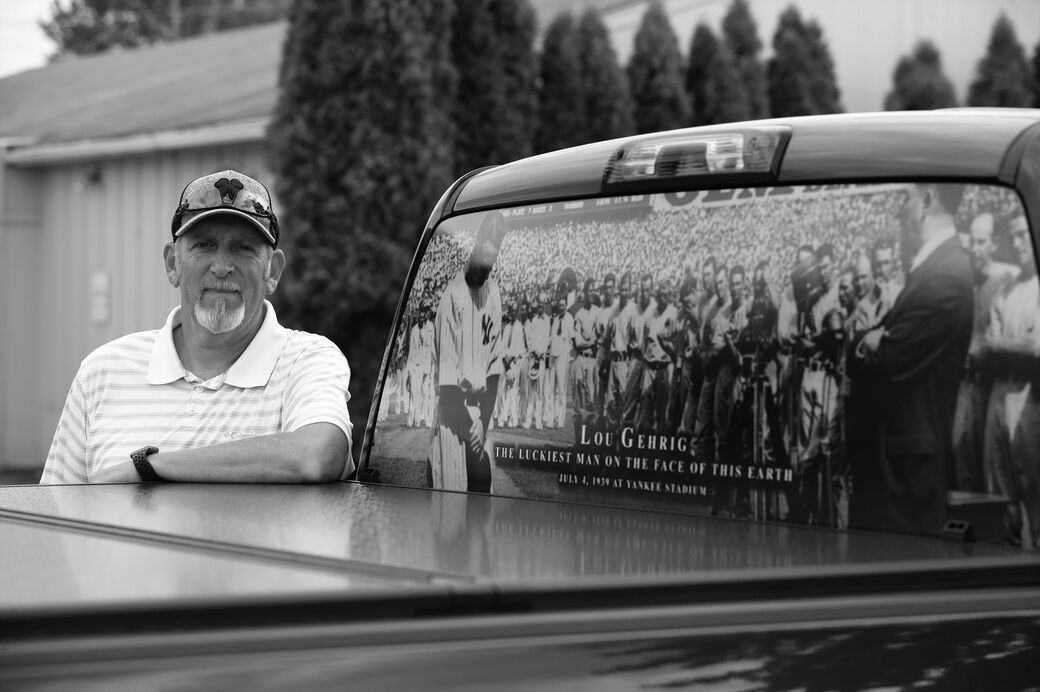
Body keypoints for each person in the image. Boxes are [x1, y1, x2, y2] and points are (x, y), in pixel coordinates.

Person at [41, 169, 353, 484]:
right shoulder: (103, 372)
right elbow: (50, 517)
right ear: (173, 264)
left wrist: (148, 467)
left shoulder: (306, 361)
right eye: (204, 245)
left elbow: (317, 455)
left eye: (244, 248)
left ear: (272, 271)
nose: (222, 267)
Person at [853, 183, 974, 536]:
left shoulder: (947, 274)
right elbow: (870, 342)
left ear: (925, 201)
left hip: (905, 479)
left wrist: (871, 341)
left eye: (903, 198)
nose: (897, 210)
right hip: (893, 472)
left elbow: (887, 361)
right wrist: (868, 340)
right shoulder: (932, 269)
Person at [427, 212, 507, 492]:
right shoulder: (452, 297)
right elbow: (448, 388)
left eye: (491, 266)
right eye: (483, 264)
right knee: (452, 519)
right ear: (474, 247)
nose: (485, 272)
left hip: (479, 417)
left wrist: (483, 424)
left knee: (481, 508)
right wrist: (473, 431)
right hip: (453, 419)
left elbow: (495, 371)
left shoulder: (494, 294)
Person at [979, 213, 1039, 546]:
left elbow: (1035, 349)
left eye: (1023, 235)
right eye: (1013, 237)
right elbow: (989, 343)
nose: (1017, 244)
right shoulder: (1008, 287)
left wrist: (999, 345)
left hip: (1030, 393)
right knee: (1000, 485)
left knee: (1031, 482)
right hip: (1000, 391)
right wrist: (1002, 346)